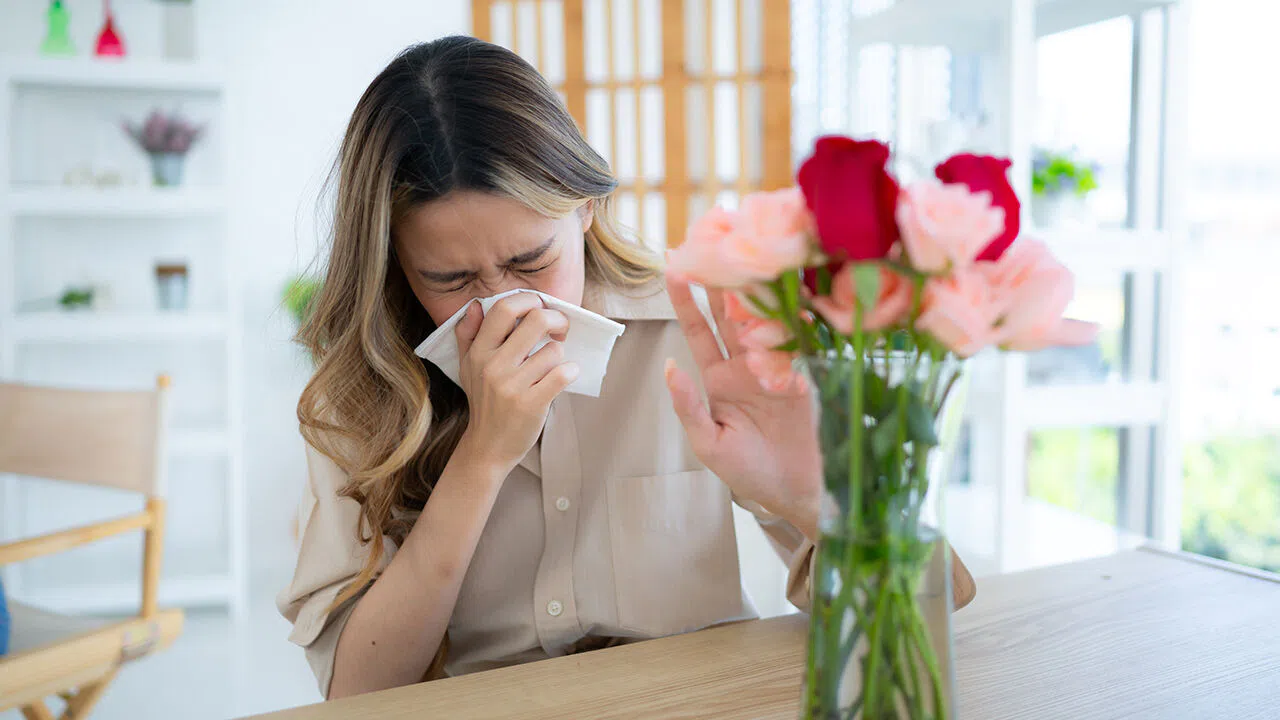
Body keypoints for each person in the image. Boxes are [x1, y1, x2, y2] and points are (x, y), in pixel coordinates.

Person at [278, 35, 973, 700]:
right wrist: (484, 456)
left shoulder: (700, 329)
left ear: (586, 208)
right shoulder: (361, 393)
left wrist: (805, 494)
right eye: (451, 278)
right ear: (397, 267)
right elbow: (358, 691)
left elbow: (931, 610)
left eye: (530, 262)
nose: (504, 307)